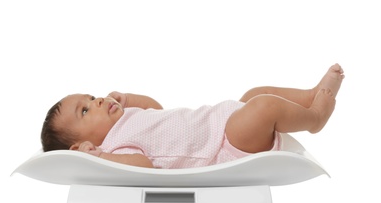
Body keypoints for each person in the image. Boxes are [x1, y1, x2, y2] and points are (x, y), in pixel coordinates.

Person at [41, 63, 344, 169]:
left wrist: (129, 99)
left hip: (221, 119)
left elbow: (156, 109)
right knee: (264, 106)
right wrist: (97, 158)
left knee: (255, 94)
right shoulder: (115, 150)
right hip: (225, 145)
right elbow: (143, 165)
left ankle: (308, 96)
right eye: (84, 110)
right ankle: (315, 118)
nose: (96, 102)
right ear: (81, 147)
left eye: (91, 97)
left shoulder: (125, 121)